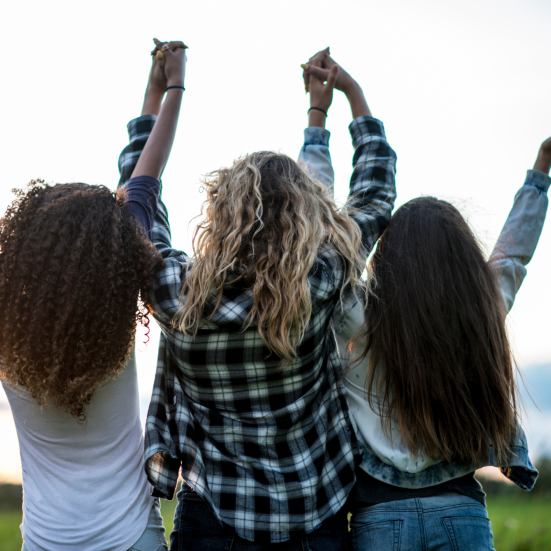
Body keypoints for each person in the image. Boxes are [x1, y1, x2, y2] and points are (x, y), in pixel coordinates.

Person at [117, 42, 396, 549]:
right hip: (315, 521)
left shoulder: (175, 291)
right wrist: (350, 97)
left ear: (221, 213)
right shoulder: (322, 278)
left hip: (211, 523)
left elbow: (137, 198)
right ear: (307, 218)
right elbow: (375, 194)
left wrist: (157, 92)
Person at [301, 51, 549, 551]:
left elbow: (319, 230)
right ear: (461, 265)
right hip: (463, 514)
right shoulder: (477, 312)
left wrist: (320, 115)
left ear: (386, 262)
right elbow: (512, 255)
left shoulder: (356, 317)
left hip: (378, 515)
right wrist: (541, 172)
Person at [0, 39, 187, 551]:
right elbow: (146, 175)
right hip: (134, 539)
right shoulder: (114, 290)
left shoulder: (7, 333)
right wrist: (170, 84)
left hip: (44, 542)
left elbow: (142, 179)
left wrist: (160, 89)